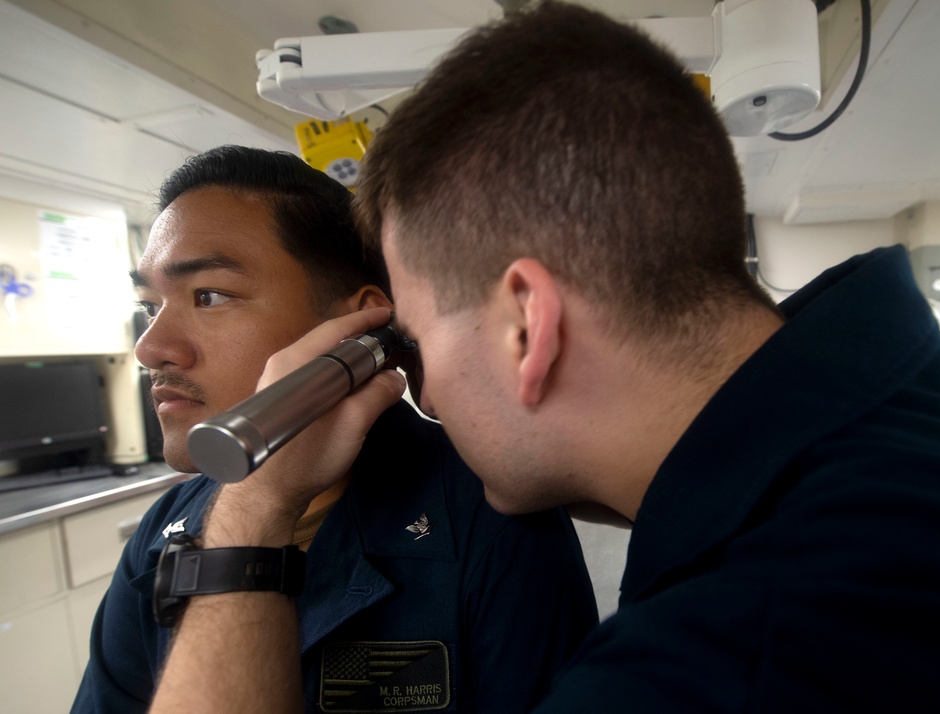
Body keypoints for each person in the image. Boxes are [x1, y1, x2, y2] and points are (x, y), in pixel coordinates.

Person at [147, 3, 940, 712]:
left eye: (419, 336)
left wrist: (252, 516)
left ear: (527, 324)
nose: (427, 394)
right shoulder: (925, 406)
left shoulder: (713, 664)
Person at [71, 144, 598, 714]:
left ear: (355, 326)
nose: (151, 348)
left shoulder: (492, 511)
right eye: (150, 306)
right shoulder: (161, 538)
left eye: (211, 296)